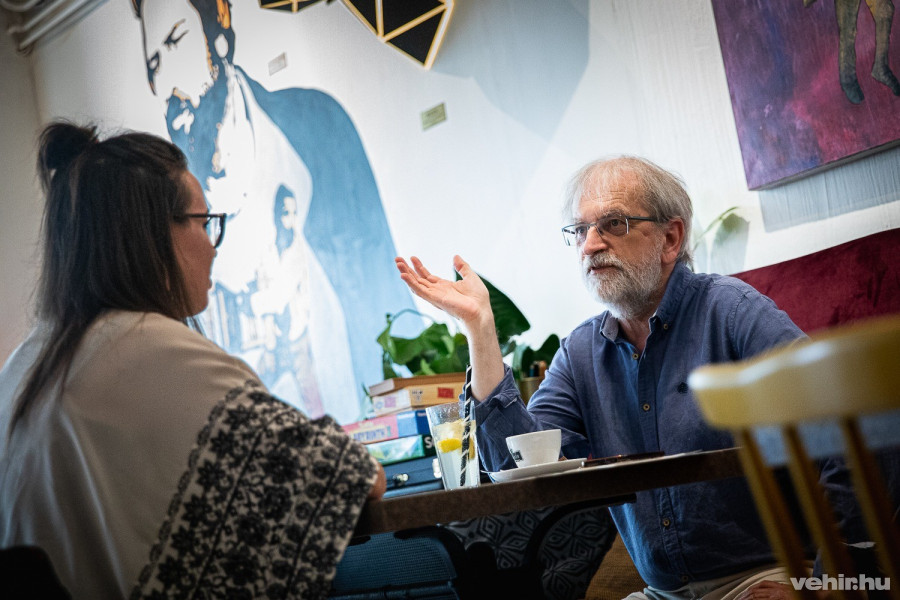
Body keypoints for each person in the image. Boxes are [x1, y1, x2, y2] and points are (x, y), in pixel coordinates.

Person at [396, 156, 862, 600]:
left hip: (763, 576)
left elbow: (857, 427)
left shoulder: (733, 311)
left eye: (613, 224)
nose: (590, 245)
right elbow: (517, 466)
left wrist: (827, 581)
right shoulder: (579, 352)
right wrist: (480, 328)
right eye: (579, 230)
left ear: (670, 238)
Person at [0, 122, 386, 599]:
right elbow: (354, 479)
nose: (212, 246)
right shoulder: (153, 349)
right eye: (204, 222)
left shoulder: (21, 368)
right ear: (150, 234)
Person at [132, 0, 417, 423]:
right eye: (154, 65)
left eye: (176, 41)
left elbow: (389, 300)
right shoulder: (163, 212)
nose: (168, 83)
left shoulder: (316, 126)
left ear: (219, 29)